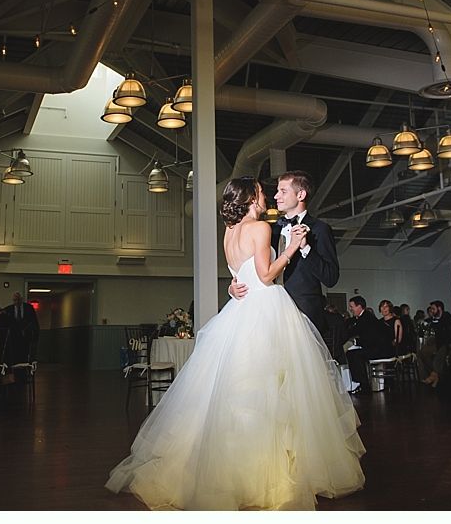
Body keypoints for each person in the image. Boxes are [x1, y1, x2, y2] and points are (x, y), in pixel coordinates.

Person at [107, 176, 364, 510]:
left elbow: (241, 271)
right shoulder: (260, 229)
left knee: (243, 390)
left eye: (279, 191)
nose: (270, 195)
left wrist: (234, 285)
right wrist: (287, 250)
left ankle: (238, 463)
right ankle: (268, 471)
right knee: (270, 391)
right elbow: (266, 275)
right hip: (267, 309)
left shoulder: (229, 231)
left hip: (242, 311)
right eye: (263, 192)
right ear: (251, 198)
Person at [228, 171, 340, 336]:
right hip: (270, 314)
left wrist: (305, 249)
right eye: (277, 191)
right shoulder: (269, 230)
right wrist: (232, 288)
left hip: (305, 313)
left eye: (283, 191)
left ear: (300, 194)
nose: (275, 196)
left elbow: (331, 278)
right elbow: (253, 268)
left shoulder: (320, 229)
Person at [344, 295, 389, 396]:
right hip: (376, 347)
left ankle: (363, 385)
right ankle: (360, 383)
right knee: (353, 353)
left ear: (359, 306)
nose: (350, 309)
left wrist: (344, 338)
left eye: (352, 306)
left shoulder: (365, 318)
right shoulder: (366, 316)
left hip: (379, 350)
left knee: (353, 355)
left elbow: (353, 332)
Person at [420, 300, 451, 387]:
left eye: (433, 309)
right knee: (423, 352)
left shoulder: (447, 317)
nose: (432, 311)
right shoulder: (434, 319)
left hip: (448, 343)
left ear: (439, 308)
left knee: (440, 353)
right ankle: (434, 374)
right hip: (438, 342)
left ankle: (434, 375)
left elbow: (449, 334)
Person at [4, 291, 39, 365]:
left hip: (26, 336)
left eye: (18, 300)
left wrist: (35, 335)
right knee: (15, 355)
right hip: (14, 337)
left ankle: (25, 369)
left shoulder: (29, 307)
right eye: (14, 300)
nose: (16, 302)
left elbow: (33, 321)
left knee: (25, 354)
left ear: (21, 299)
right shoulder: (9, 309)